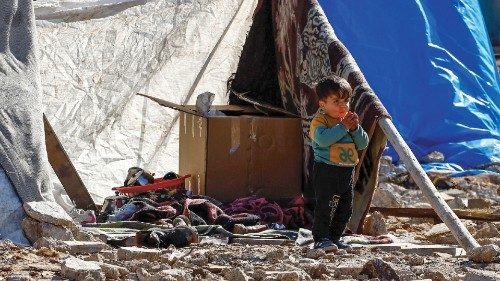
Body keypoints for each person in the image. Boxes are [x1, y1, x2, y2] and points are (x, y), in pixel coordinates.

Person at [308, 76, 369, 251]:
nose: (343, 106)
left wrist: (355, 128)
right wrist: (342, 127)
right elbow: (322, 139)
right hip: (326, 170)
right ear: (322, 104)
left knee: (345, 208)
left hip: (346, 172)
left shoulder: (349, 121)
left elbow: (362, 143)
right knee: (326, 206)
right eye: (336, 101)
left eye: (346, 101)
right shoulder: (321, 121)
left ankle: (335, 237)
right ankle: (321, 238)